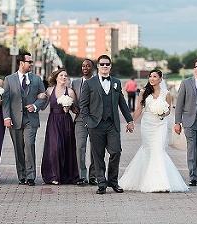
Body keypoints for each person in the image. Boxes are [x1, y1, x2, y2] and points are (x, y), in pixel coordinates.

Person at [120, 69, 189, 193]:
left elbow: (168, 110)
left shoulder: (166, 93)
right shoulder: (143, 92)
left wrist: (163, 113)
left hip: (160, 125)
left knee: (158, 150)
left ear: (160, 79)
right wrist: (131, 122)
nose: (152, 78)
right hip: (147, 125)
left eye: (155, 76)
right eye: (150, 76)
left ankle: (161, 182)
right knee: (148, 150)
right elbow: (139, 109)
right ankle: (145, 180)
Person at [79, 54, 135, 194]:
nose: (105, 66)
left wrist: (129, 120)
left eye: (107, 64)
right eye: (102, 64)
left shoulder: (116, 82)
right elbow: (83, 105)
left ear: (110, 66)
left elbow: (122, 102)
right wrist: (88, 121)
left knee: (116, 151)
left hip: (112, 124)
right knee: (98, 155)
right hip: (95, 124)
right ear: (97, 66)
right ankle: (101, 183)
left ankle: (113, 181)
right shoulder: (89, 83)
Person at [2, 53, 47, 186]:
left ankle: (31, 176)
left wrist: (35, 105)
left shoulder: (37, 79)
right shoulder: (9, 79)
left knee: (29, 145)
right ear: (21, 63)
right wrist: (7, 117)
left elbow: (43, 97)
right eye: (29, 62)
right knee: (18, 148)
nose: (32, 64)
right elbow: (6, 100)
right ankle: (21, 175)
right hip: (15, 119)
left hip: (30, 119)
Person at [39, 69, 80, 185]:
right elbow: (43, 107)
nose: (63, 77)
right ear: (56, 77)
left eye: (65, 76)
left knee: (66, 147)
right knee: (55, 147)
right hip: (53, 121)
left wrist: (69, 108)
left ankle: (66, 176)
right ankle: (53, 175)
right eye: (61, 75)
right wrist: (41, 96)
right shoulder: (49, 90)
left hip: (66, 121)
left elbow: (76, 109)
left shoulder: (70, 92)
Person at [71, 59, 97, 186]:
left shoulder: (98, 81)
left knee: (95, 149)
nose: (85, 67)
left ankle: (93, 176)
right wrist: (72, 107)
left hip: (94, 120)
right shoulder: (75, 82)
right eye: (83, 66)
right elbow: (71, 98)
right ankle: (82, 176)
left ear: (92, 68)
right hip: (80, 119)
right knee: (80, 147)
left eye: (88, 65)